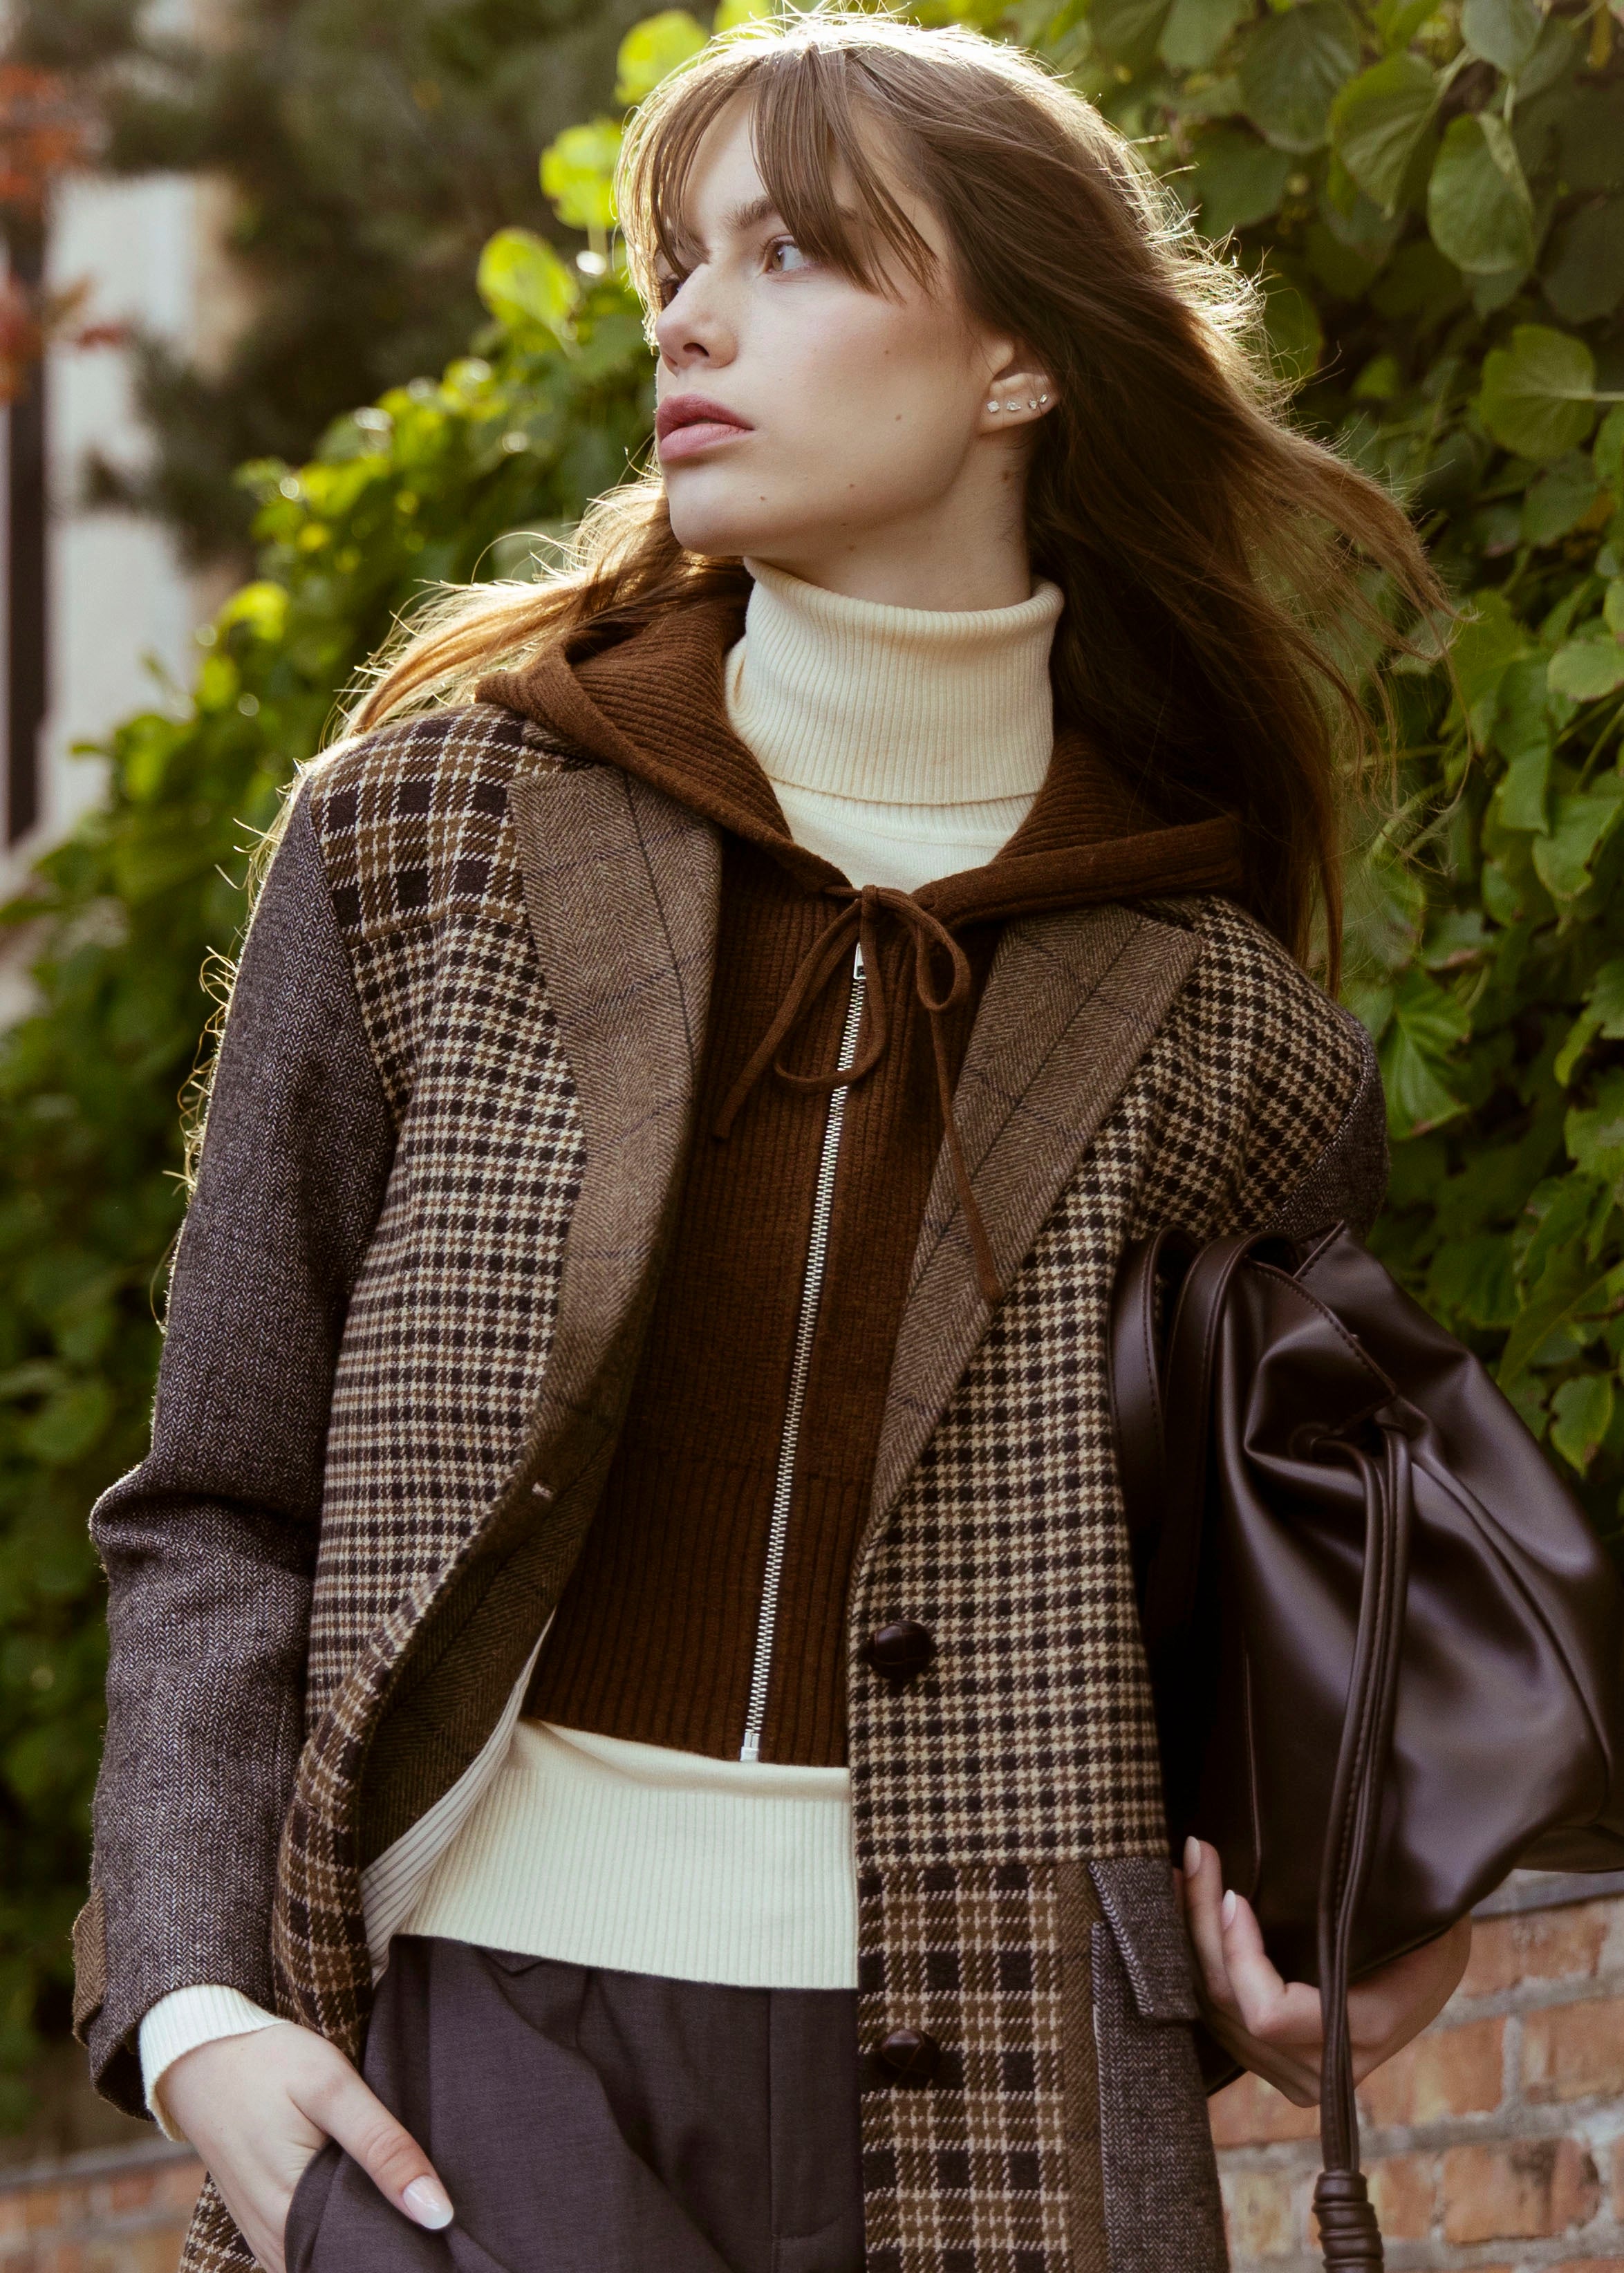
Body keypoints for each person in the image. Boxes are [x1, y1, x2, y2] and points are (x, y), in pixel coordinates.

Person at [73, 12, 1473, 2272]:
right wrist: (193, 2012)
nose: (690, 322)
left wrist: (1378, 1912)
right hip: (460, 2064)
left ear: (1022, 360)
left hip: (1022, 2087)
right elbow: (222, 1498)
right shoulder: (424, 840)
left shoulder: (1229, 1023)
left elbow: (1297, 1592)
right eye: (677, 268)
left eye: (795, 253)